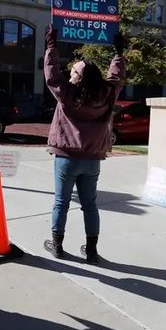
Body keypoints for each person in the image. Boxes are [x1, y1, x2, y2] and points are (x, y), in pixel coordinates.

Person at [42, 26, 127, 264]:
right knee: (90, 205)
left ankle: (57, 246)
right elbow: (116, 77)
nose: (70, 75)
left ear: (78, 78)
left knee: (61, 202)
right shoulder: (108, 94)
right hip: (92, 161)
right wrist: (118, 53)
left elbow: (51, 75)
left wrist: (51, 46)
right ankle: (91, 251)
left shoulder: (67, 94)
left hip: (66, 158)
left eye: (73, 73)